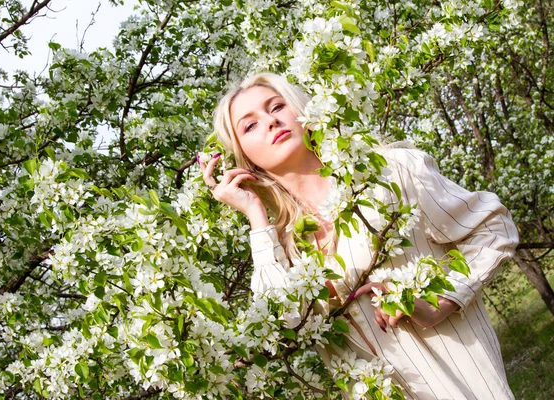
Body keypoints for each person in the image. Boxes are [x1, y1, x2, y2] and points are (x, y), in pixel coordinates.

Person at [198, 72, 519, 399]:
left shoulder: (390, 174)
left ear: (301, 112)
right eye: (249, 125)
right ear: (244, 159)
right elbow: (285, 322)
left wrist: (443, 300)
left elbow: (492, 228)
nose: (270, 121)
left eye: (277, 106)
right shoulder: (283, 248)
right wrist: (255, 214)